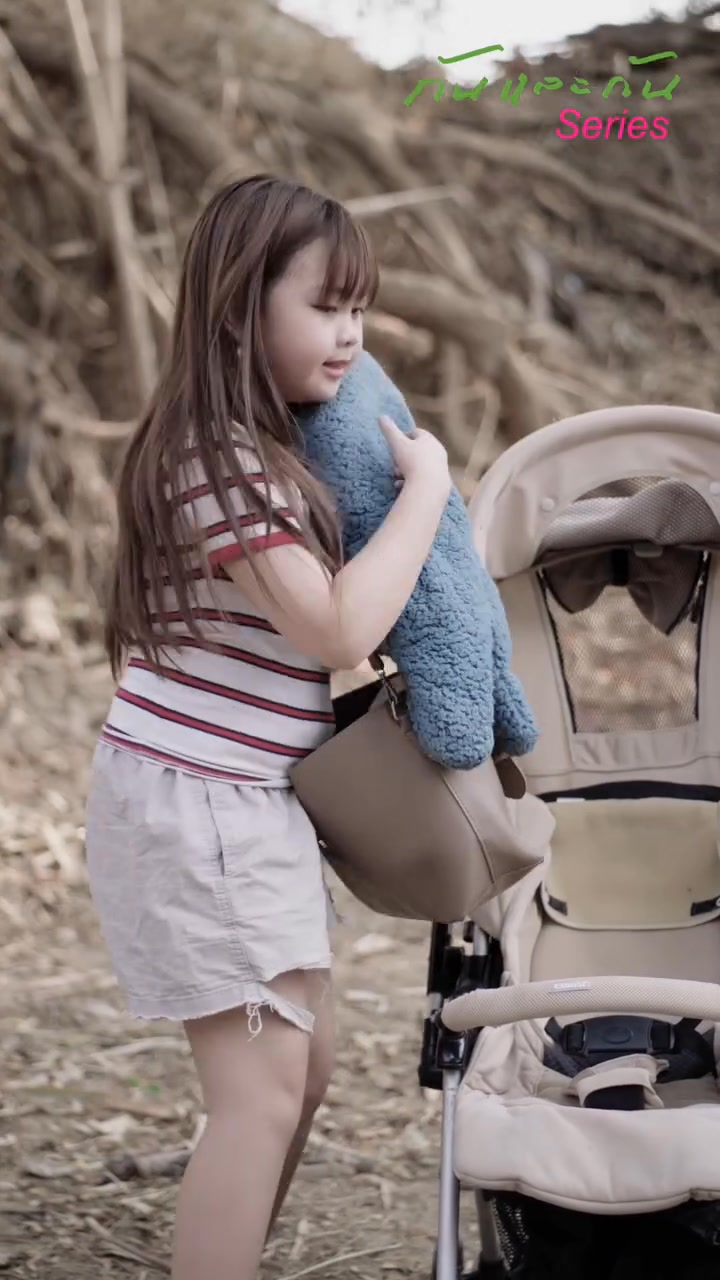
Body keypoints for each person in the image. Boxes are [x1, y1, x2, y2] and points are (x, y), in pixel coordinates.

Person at [84, 173, 452, 1280]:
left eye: (359, 307)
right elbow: (336, 626)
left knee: (304, 1074)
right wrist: (427, 490)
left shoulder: (265, 446)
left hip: (241, 797)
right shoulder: (217, 459)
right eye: (325, 306)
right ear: (241, 310)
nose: (350, 334)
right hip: (202, 803)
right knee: (259, 1097)